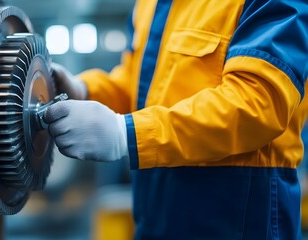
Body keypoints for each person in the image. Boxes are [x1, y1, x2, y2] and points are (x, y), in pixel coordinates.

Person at [44, 0, 308, 239]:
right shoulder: (152, 4)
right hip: (157, 209)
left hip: (237, 213)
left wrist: (126, 134)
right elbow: (138, 86)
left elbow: (258, 104)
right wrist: (82, 90)